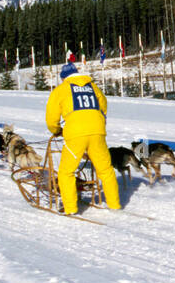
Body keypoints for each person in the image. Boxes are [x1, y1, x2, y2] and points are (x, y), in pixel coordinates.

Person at [45, 54, 120, 214]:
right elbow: (104, 105)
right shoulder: (93, 87)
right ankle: (114, 204)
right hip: (98, 131)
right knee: (106, 169)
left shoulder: (61, 89)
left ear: (64, 77)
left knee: (66, 172)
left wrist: (57, 130)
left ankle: (71, 208)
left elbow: (52, 118)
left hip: (75, 134)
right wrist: (100, 122)